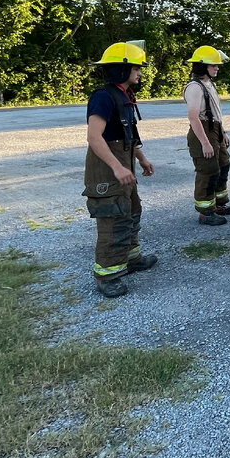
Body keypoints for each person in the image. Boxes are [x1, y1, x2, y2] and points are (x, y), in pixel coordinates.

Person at [83, 41, 157, 298]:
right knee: (113, 218)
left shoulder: (124, 97)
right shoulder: (103, 97)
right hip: (107, 169)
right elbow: (94, 137)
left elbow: (129, 136)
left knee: (131, 211)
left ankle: (131, 259)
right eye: (137, 68)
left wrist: (142, 159)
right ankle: (107, 276)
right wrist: (116, 167)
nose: (140, 72)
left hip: (124, 163)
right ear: (121, 69)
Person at [184, 45, 230, 226]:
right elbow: (193, 117)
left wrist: (223, 133)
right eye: (213, 65)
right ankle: (206, 212)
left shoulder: (209, 84)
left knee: (223, 164)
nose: (217, 68)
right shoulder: (194, 87)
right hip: (203, 132)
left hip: (215, 130)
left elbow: (215, 113)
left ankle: (219, 204)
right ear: (202, 66)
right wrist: (205, 143)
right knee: (208, 170)